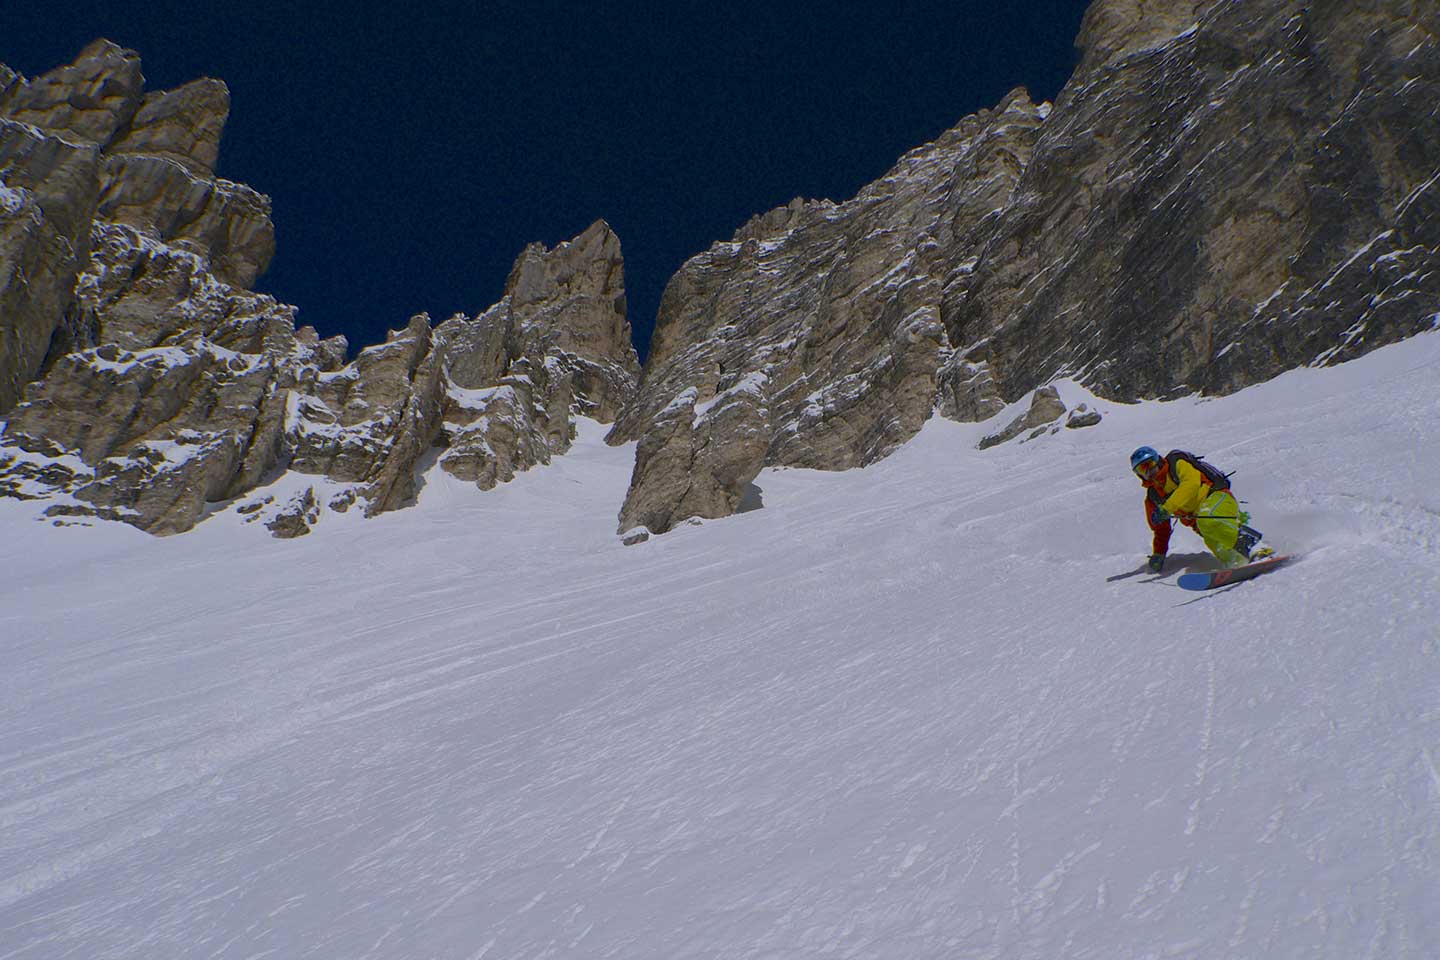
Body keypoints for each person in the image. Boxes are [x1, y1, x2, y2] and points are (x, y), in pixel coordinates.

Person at [1130, 446, 1271, 573]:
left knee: (1207, 519)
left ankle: (1257, 548)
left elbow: (1191, 484)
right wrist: (1159, 554)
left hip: (1217, 497)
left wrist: (1168, 508)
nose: (1149, 471)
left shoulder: (1176, 464)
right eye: (1142, 470)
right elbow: (1161, 529)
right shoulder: (1153, 496)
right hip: (1201, 522)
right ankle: (1238, 563)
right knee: (1213, 541)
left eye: (1149, 464)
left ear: (1157, 460)